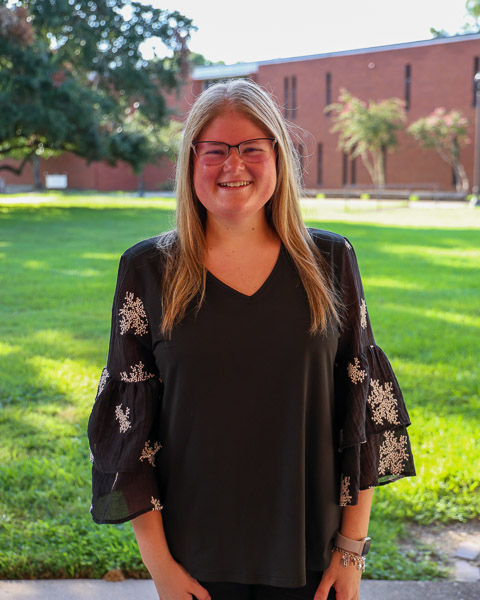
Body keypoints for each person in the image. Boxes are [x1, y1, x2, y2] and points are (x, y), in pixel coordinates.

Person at [88, 79, 415, 600]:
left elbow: (361, 412)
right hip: (195, 561)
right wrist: (161, 567)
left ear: (279, 158)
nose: (233, 165)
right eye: (215, 150)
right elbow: (129, 431)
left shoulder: (331, 261)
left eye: (252, 149)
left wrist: (351, 549)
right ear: (191, 161)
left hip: (311, 558)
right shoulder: (147, 270)